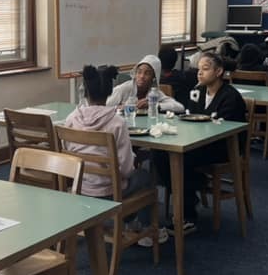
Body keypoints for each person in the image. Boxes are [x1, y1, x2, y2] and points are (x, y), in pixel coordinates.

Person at [63, 65, 165, 245]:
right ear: (109, 92)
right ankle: (142, 228)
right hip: (109, 191)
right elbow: (126, 169)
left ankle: (128, 221)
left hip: (79, 187)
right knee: (146, 176)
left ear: (85, 91)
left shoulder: (71, 119)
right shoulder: (117, 122)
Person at [155, 52, 247, 232]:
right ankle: (194, 186)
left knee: (181, 159)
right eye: (199, 70)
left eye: (205, 69)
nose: (199, 73)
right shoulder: (197, 91)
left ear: (219, 71)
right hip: (198, 142)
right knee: (159, 154)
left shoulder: (230, 96)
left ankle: (188, 214)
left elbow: (223, 128)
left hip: (223, 146)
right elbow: (189, 116)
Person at [106, 54, 184, 114]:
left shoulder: (154, 93)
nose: (142, 76)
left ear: (153, 77)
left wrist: (153, 105)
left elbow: (180, 107)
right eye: (139, 72)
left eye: (147, 73)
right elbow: (101, 108)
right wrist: (121, 108)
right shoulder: (124, 88)